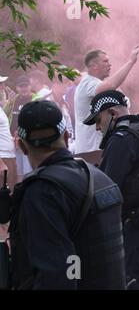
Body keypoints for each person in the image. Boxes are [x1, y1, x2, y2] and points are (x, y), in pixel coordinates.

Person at [0, 100, 126, 289]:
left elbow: (56, 276)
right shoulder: (100, 178)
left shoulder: (42, 192)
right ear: (66, 136)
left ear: (22, 146)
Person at [83, 90, 139, 289]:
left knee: (137, 285)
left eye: (99, 120)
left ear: (112, 114)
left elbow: (107, 187)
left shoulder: (121, 138)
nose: (98, 127)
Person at [74, 45, 139, 155]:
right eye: (105, 61)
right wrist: (130, 62)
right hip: (91, 151)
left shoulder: (99, 83)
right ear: (94, 66)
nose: (109, 64)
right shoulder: (87, 83)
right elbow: (110, 85)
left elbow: (121, 101)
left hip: (99, 149)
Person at [3, 75, 33, 180]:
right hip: (14, 143)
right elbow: (3, 115)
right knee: (18, 173)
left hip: (28, 142)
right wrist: (9, 103)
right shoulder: (14, 100)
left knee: (28, 172)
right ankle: (20, 193)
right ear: (17, 88)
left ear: (30, 86)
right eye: (21, 86)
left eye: (26, 85)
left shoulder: (35, 99)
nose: (24, 88)